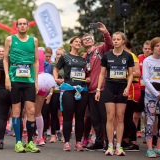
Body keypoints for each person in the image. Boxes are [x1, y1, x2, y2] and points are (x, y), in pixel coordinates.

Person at [3, 18, 40, 153]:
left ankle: (30, 142)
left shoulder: (34, 40)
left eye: (25, 24)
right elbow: (5, 59)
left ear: (28, 26)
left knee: (31, 111)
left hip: (29, 79)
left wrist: (36, 81)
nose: (23, 26)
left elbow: (36, 61)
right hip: (14, 78)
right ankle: (18, 142)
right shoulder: (10, 39)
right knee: (16, 111)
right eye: (20, 24)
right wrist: (7, 77)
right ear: (16, 26)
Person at [95, 31, 134, 156]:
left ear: (123, 41)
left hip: (122, 87)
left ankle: (119, 146)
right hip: (109, 87)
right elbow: (102, 74)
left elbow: (131, 74)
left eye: (118, 39)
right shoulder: (107, 56)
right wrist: (97, 89)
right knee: (110, 117)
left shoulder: (128, 56)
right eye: (114, 39)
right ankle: (110, 146)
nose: (116, 41)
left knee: (120, 117)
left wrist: (128, 87)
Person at [53, 36, 88, 151]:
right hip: (68, 89)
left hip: (82, 90)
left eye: (79, 42)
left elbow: (88, 72)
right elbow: (56, 69)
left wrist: (88, 78)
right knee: (67, 116)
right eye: (76, 41)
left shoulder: (84, 58)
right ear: (71, 44)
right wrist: (56, 79)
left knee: (80, 117)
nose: (78, 43)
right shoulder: (65, 56)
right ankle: (67, 142)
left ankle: (78, 142)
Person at [82, 22, 112, 151]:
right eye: (84, 39)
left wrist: (105, 32)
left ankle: (108, 143)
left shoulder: (99, 49)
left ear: (92, 41)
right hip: (90, 90)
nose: (87, 40)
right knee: (93, 118)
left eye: (89, 38)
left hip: (103, 88)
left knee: (105, 117)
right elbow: (84, 73)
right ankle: (99, 142)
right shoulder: (84, 57)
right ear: (83, 44)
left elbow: (109, 44)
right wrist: (85, 79)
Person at [142, 37, 160, 158]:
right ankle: (149, 149)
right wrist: (157, 94)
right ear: (152, 48)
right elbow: (146, 80)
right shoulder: (147, 61)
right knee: (150, 121)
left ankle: (158, 148)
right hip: (151, 94)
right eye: (157, 46)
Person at [122, 39, 141, 151]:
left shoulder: (131, 56)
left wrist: (122, 73)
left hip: (133, 88)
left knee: (128, 116)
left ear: (124, 45)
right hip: (126, 87)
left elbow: (137, 73)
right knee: (123, 116)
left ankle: (134, 142)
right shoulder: (125, 55)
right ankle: (125, 140)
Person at [34, 49, 55, 145]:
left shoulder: (33, 51)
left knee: (29, 112)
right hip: (43, 81)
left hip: (33, 80)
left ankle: (28, 137)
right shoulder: (40, 51)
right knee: (38, 112)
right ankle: (40, 138)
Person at [134, 40, 152, 143]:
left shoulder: (154, 59)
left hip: (150, 91)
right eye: (145, 48)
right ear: (142, 49)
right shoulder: (138, 58)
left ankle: (148, 136)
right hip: (140, 89)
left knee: (148, 114)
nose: (147, 50)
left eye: (149, 49)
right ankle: (133, 135)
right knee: (136, 114)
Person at [49, 47, 65, 143]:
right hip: (54, 92)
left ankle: (64, 134)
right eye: (58, 54)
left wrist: (63, 80)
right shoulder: (52, 65)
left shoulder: (67, 65)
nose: (59, 56)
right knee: (54, 114)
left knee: (65, 114)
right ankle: (53, 135)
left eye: (61, 54)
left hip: (64, 92)